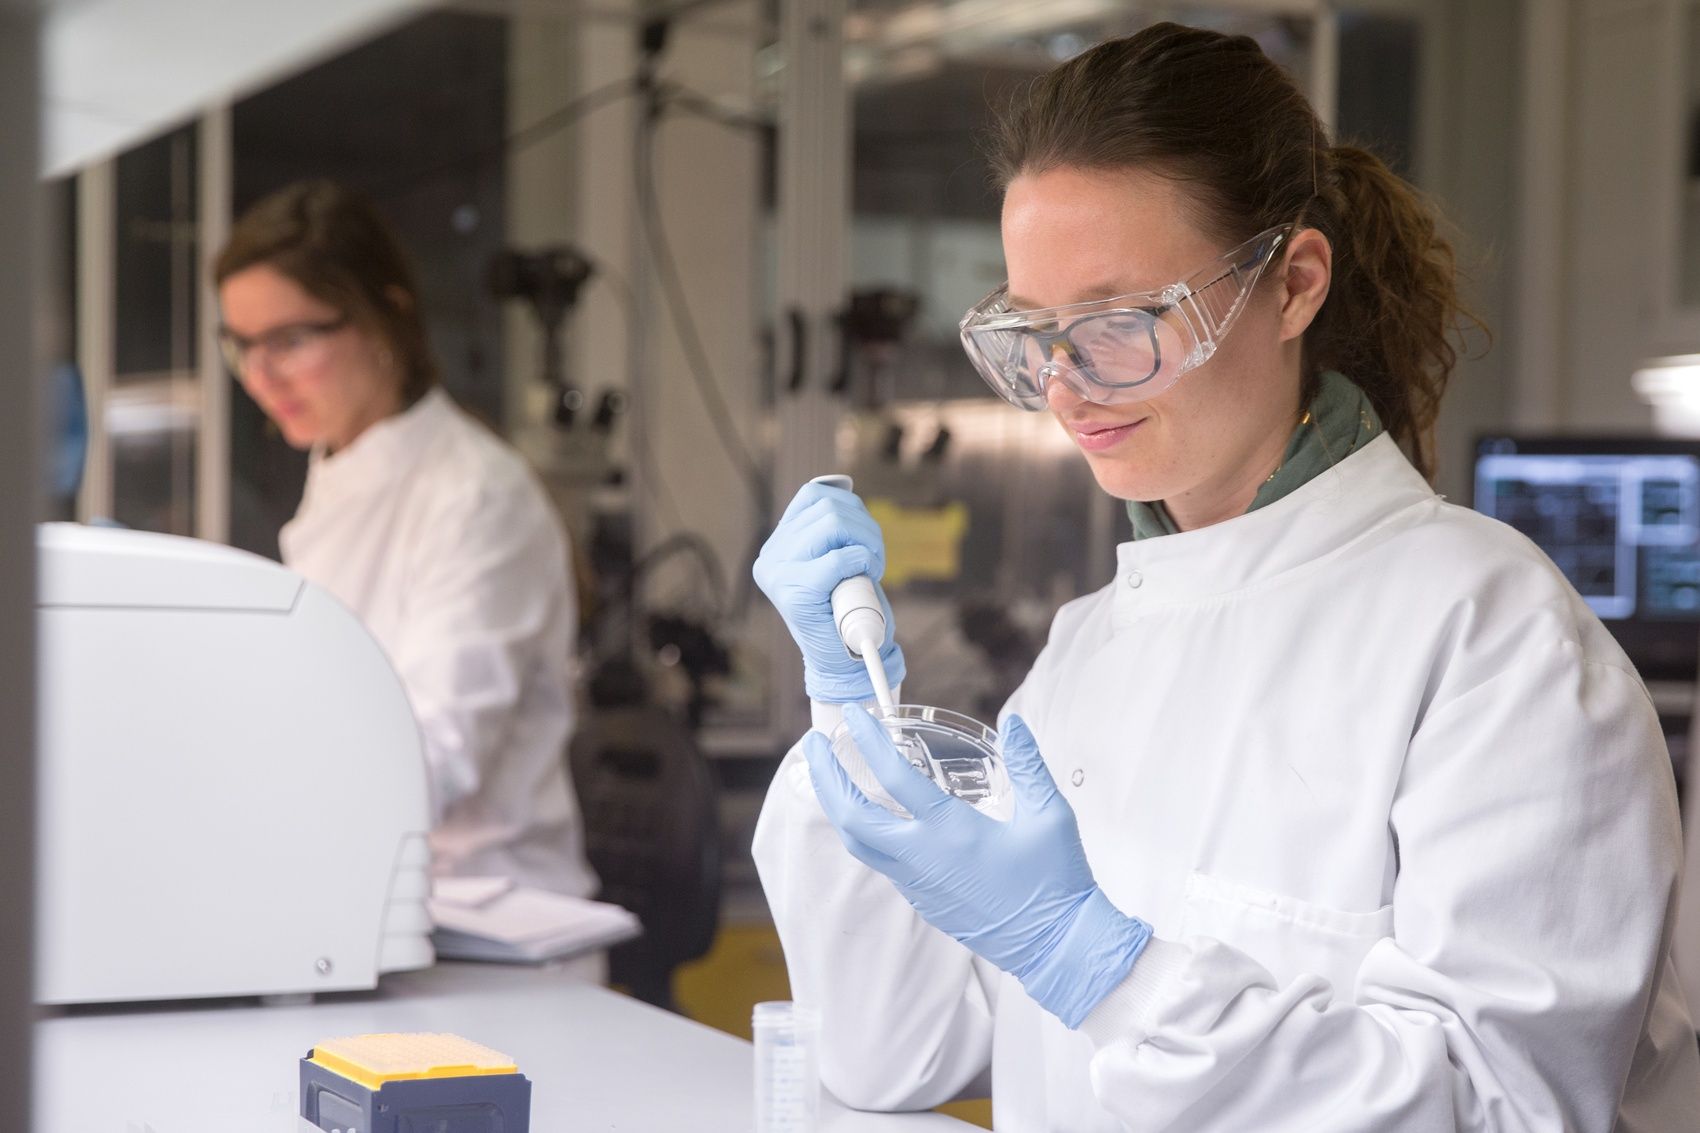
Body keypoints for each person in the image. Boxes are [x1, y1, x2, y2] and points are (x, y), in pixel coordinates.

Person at [751, 23, 1700, 1131]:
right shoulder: (1085, 654)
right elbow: (890, 1053)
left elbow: (1497, 1111)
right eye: (1029, 332)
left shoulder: (1493, 641)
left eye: (1115, 323)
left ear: (1291, 284)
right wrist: (850, 713)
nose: (1064, 387)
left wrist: (1097, 964)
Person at [215, 180, 596, 899]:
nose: (260, 377)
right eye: (241, 346)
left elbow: (430, 757)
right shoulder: (338, 467)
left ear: (384, 317)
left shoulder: (476, 496)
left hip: (489, 917)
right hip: (368, 893)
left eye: (289, 341)